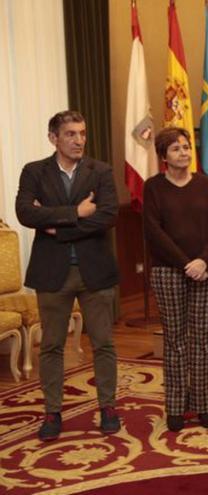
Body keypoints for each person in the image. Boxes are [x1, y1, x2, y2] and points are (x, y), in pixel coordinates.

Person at [15, 110, 121, 441]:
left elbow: (106, 216)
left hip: (95, 271)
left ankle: (108, 407)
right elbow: (25, 212)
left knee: (103, 343)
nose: (79, 140)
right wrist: (76, 212)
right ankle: (52, 412)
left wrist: (56, 228)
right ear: (54, 138)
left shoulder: (100, 171)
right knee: (51, 346)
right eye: (71, 134)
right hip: (52, 274)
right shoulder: (34, 172)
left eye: (82, 133)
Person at [143, 127, 208, 432]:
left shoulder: (206, 185)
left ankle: (205, 404)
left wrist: (203, 260)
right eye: (177, 148)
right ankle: (177, 406)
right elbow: (154, 232)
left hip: (207, 269)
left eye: (187, 146)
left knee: (202, 339)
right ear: (164, 156)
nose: (185, 152)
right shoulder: (153, 187)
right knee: (175, 340)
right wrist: (185, 264)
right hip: (168, 271)